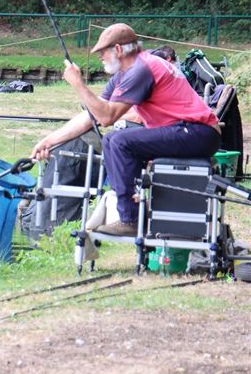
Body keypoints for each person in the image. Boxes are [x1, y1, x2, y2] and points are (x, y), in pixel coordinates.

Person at [31, 23, 221, 236]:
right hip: (189, 131)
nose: (100, 57)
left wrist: (78, 84)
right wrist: (50, 141)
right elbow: (90, 116)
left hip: (199, 132)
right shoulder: (128, 72)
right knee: (114, 141)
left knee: (118, 140)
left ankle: (130, 219)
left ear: (118, 50)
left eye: (102, 52)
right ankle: (135, 209)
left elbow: (106, 117)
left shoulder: (141, 69)